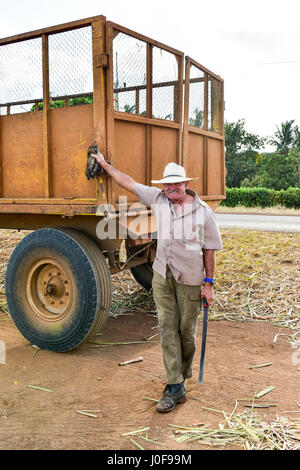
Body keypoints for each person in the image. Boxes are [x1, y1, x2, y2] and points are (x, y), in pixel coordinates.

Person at [92, 151, 223, 412]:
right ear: (163, 186)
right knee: (166, 327)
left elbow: (209, 249)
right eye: (168, 184)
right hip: (162, 275)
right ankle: (174, 385)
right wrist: (105, 164)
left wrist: (208, 284)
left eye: (177, 183)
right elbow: (128, 182)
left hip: (190, 279)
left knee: (186, 332)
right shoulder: (158, 199)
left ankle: (182, 378)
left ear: (186, 184)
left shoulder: (203, 212)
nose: (172, 188)